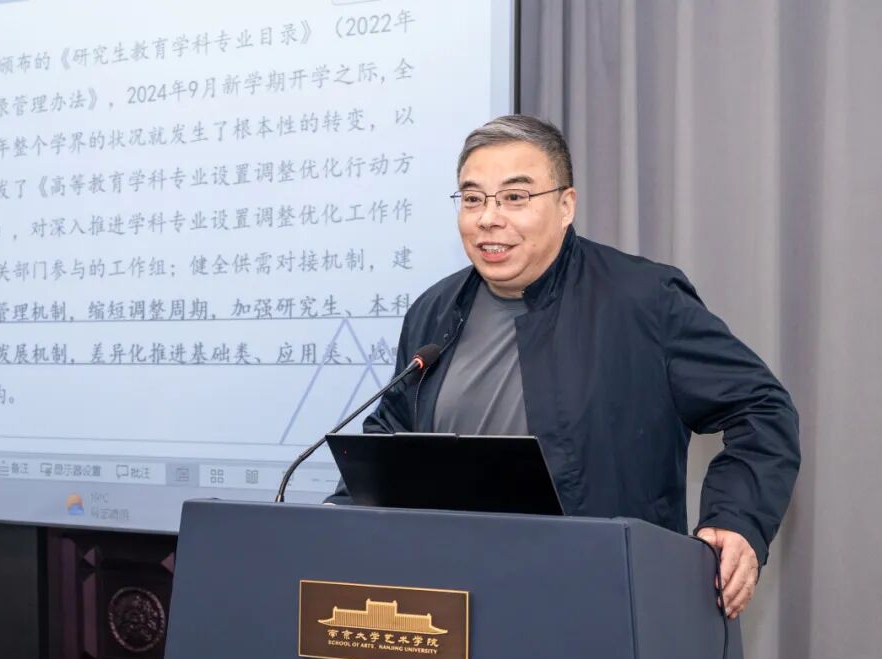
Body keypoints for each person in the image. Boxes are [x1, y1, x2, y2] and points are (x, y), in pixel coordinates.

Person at [325, 115, 800, 619]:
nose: (488, 218)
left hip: (602, 600)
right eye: (473, 198)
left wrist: (735, 518)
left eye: (514, 197)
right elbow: (392, 435)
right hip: (453, 599)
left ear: (566, 205)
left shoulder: (642, 299)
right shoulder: (434, 310)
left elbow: (761, 408)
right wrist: (338, 517)